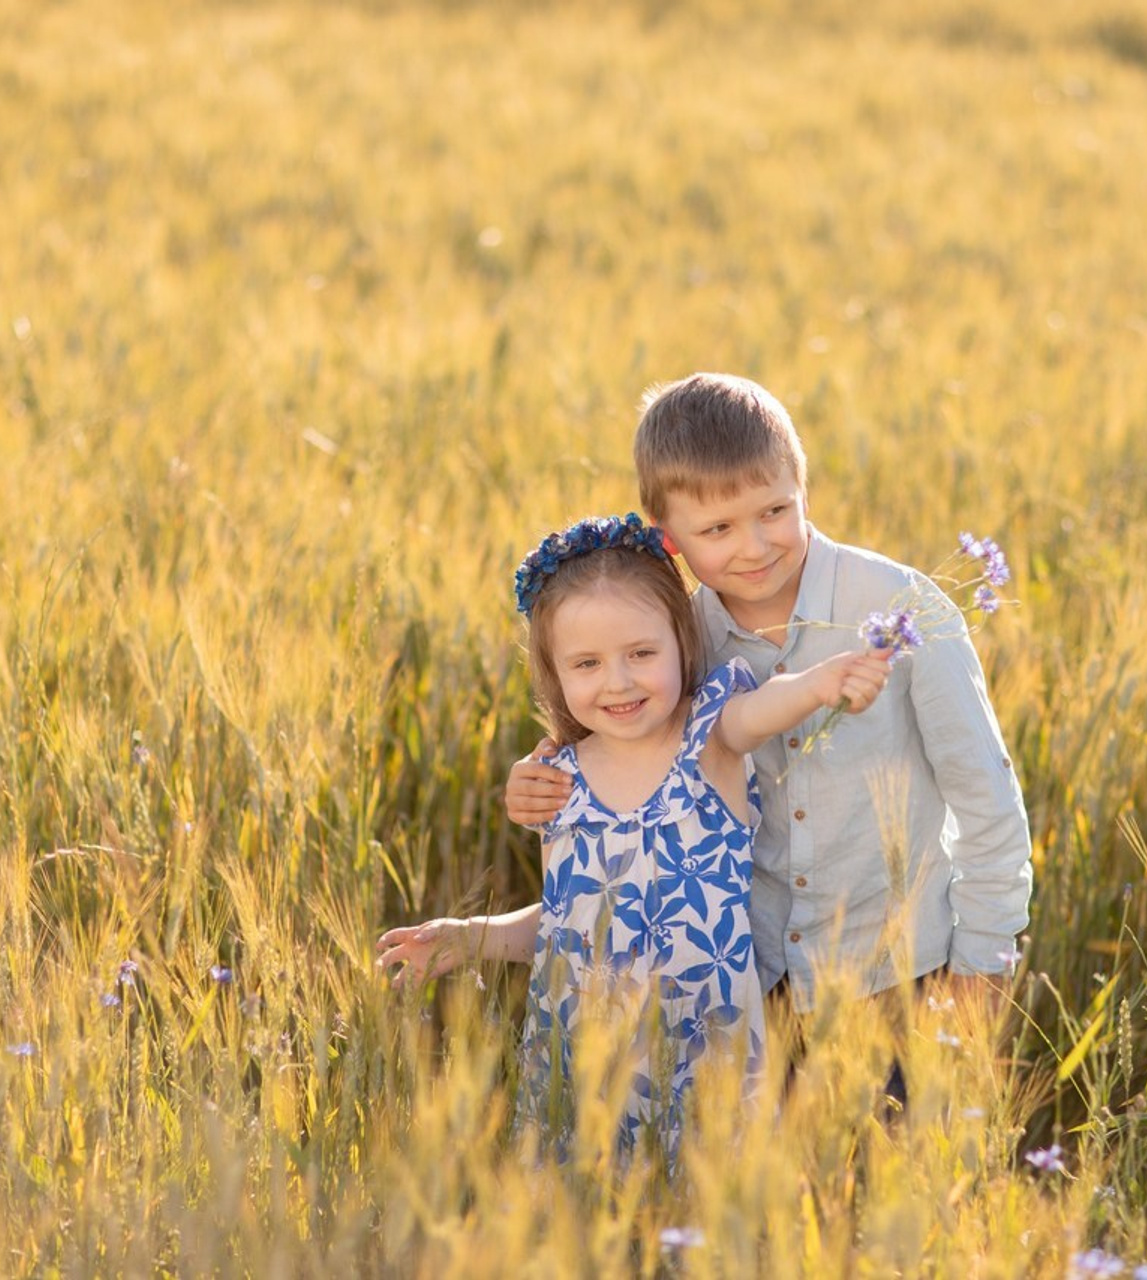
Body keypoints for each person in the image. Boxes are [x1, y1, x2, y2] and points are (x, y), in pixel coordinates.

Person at [506, 375, 1033, 1092]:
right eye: (717, 530)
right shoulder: (670, 645)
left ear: (801, 487)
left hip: (900, 976)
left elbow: (987, 798)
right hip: (749, 990)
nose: (754, 546)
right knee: (782, 1197)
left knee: (898, 1190)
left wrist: (983, 961)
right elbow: (621, 762)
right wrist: (541, 773)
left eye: (775, 511)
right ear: (668, 537)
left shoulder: (899, 609)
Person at [376, 512, 890, 1164]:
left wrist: (819, 684)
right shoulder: (559, 782)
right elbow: (569, 923)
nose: (617, 681)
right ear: (554, 672)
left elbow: (766, 707)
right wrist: (468, 936)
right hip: (584, 1072)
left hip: (705, 1066)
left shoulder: (711, 739)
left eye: (641, 655)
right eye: (586, 663)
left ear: (682, 640)